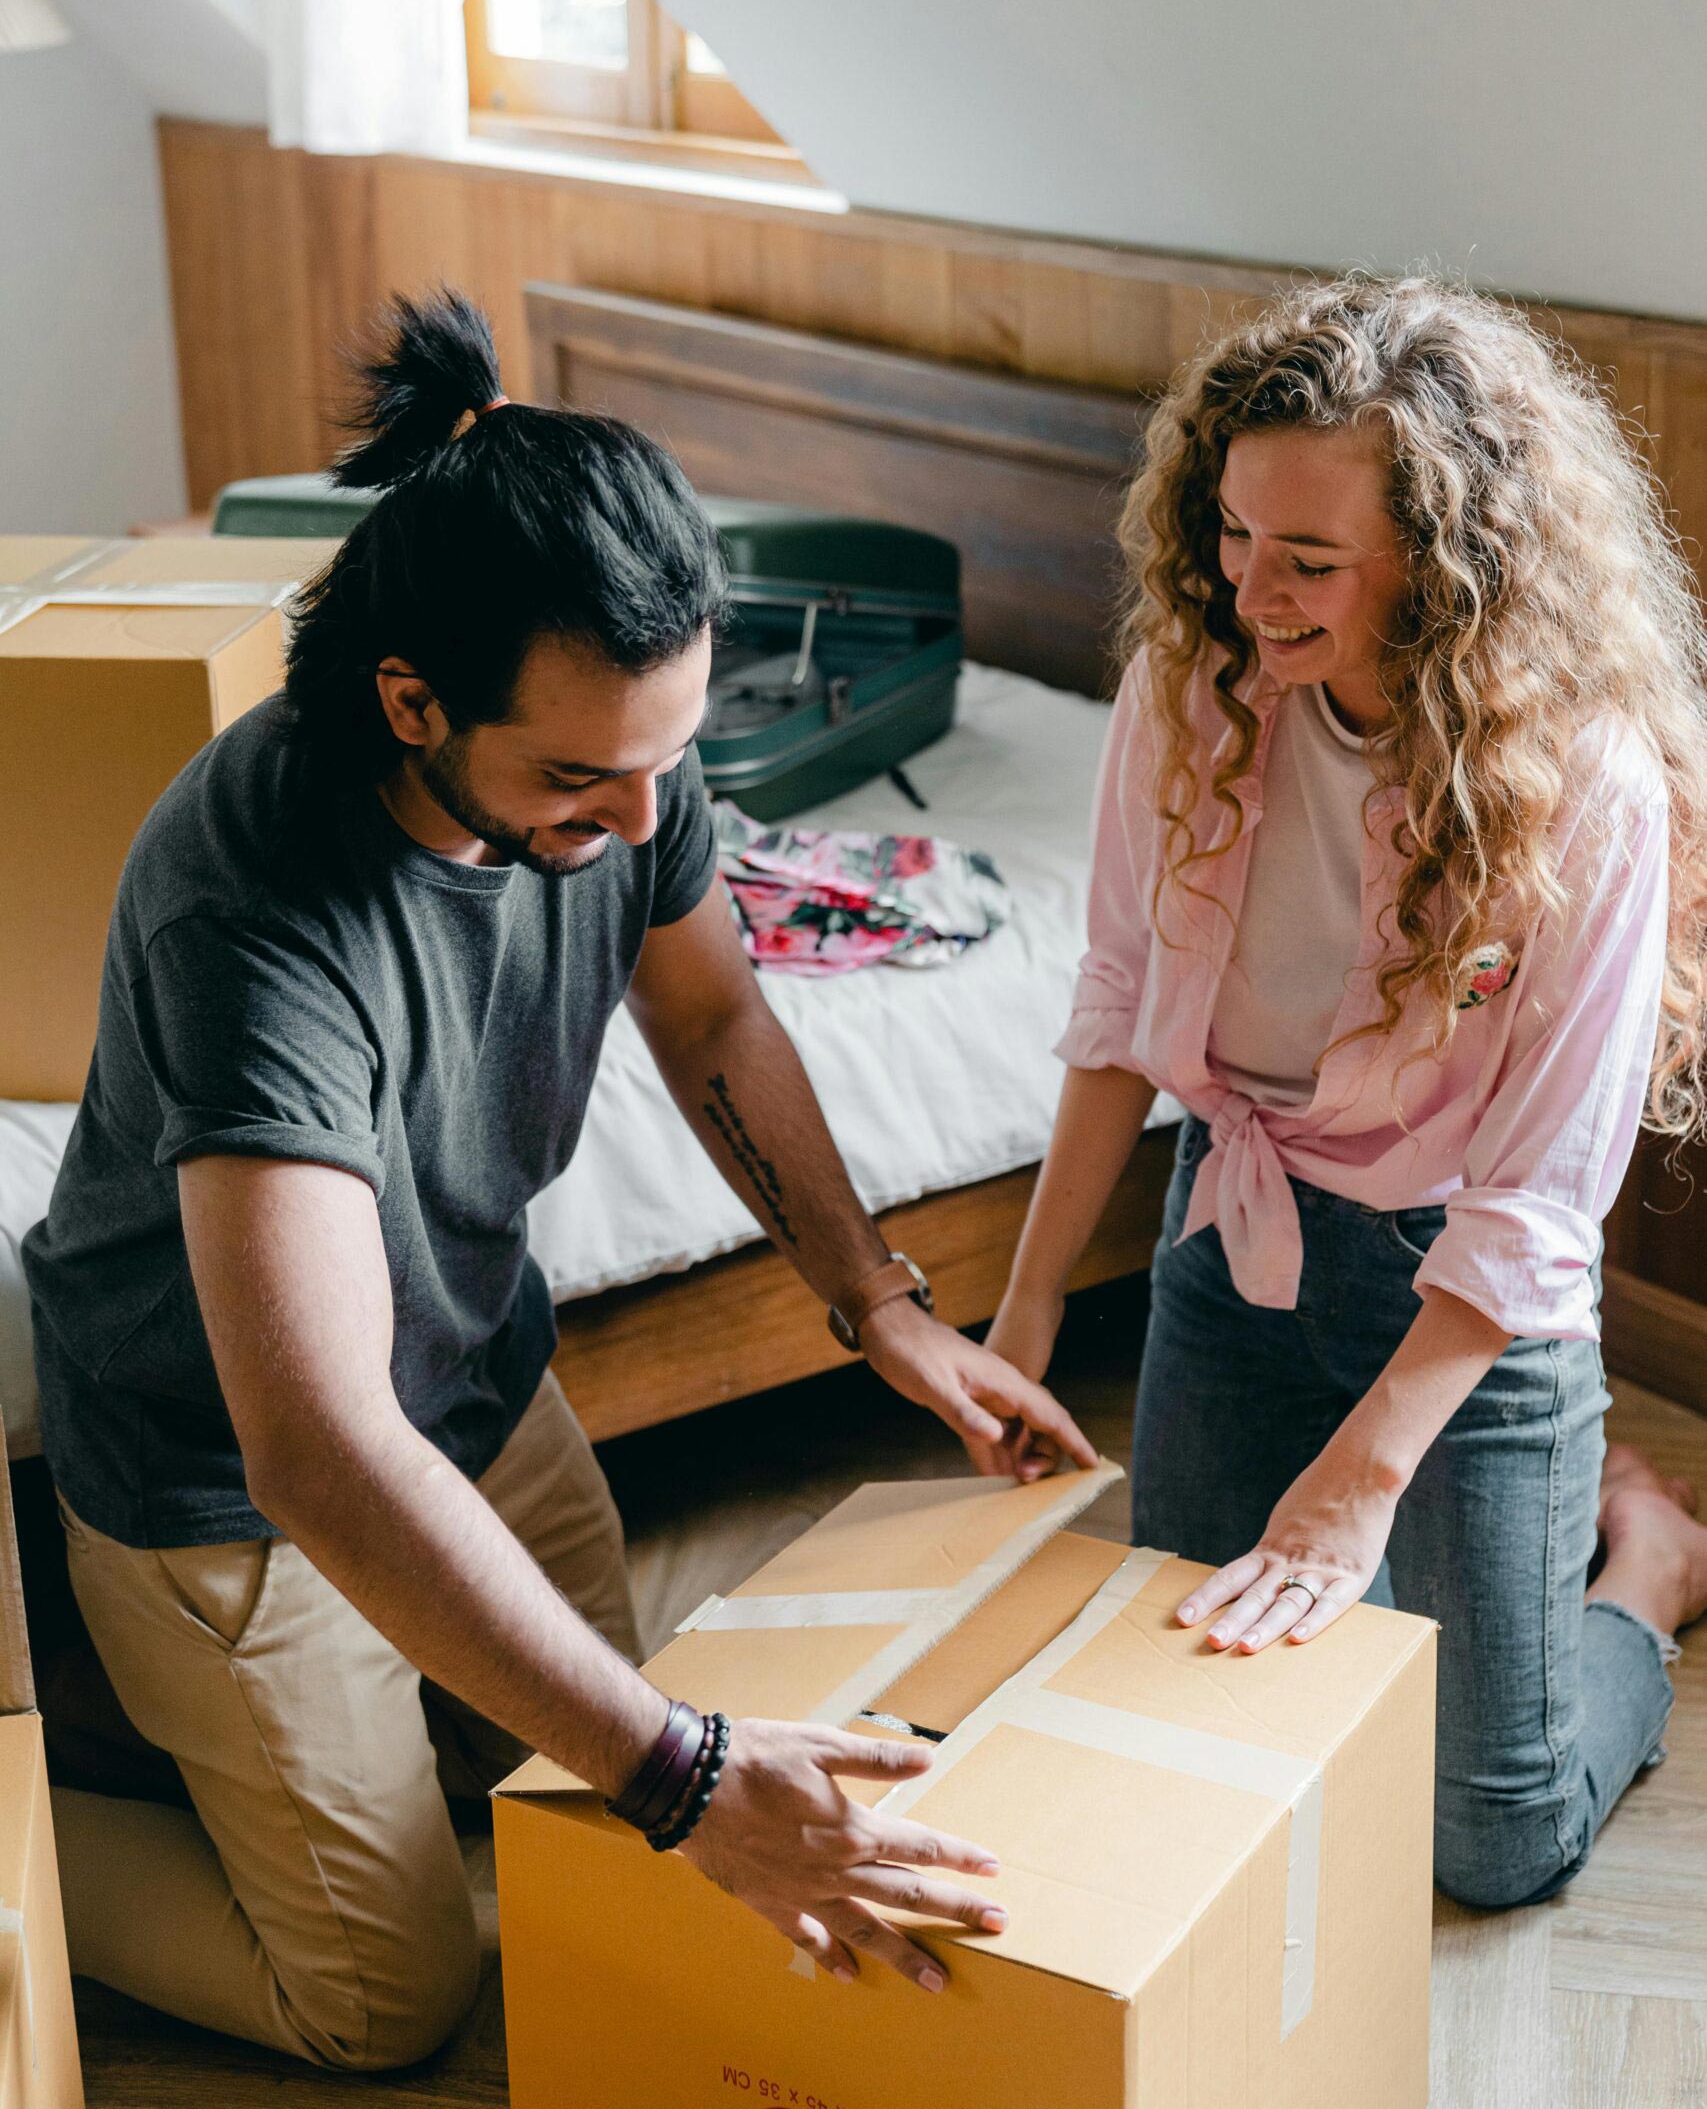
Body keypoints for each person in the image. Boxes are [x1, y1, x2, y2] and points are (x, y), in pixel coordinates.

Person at [22, 291, 1095, 2071]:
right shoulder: (257, 906)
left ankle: (218, 1737)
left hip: (479, 1376)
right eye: (583, 778)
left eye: (668, 763)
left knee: (563, 1792)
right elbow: (315, 1443)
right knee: (390, 1999)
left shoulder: (626, 764)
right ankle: (38, 1815)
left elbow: (718, 1013)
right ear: (408, 700)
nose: (642, 819)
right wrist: (686, 1774)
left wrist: (884, 1308)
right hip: (227, 1475)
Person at [976, 273, 1707, 1909]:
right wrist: (1022, 1312)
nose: (1250, 592)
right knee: (1191, 1713)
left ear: (1449, 571)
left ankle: (1645, 1570)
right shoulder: (1193, 685)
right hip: (1232, 1244)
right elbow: (1113, 1006)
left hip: (1465, 1299)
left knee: (1491, 1841)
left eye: (1309, 561)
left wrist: (1361, 1486)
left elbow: (1532, 1203)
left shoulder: (1583, 782)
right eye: (1233, 535)